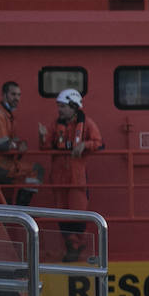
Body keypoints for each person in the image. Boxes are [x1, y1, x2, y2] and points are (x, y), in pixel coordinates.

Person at [37, 88, 103, 262]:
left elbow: (98, 142)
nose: (59, 109)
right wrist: (42, 137)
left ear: (74, 106)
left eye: (63, 106)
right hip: (58, 177)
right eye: (59, 106)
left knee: (78, 213)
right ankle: (71, 246)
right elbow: (45, 147)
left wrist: (85, 145)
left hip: (76, 177)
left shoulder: (87, 124)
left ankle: (76, 245)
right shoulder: (54, 124)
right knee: (62, 214)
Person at [0, 80, 40, 206]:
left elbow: (11, 142)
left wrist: (19, 144)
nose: (17, 98)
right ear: (4, 95)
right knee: (36, 170)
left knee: (4, 200)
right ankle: (21, 210)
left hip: (2, 162)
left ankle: (18, 210)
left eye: (19, 95)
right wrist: (19, 146)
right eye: (13, 94)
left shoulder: (7, 116)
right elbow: (2, 145)